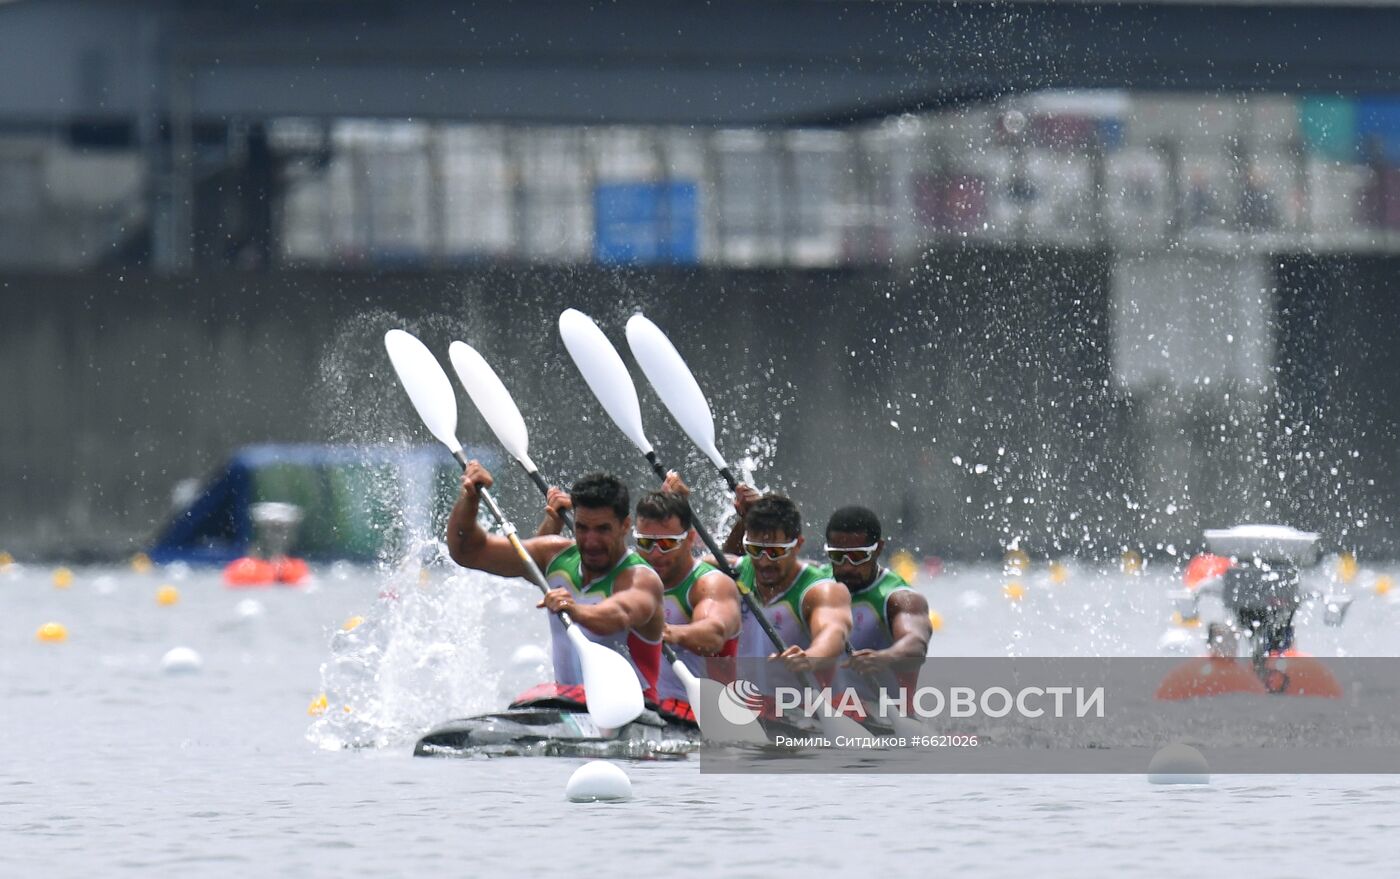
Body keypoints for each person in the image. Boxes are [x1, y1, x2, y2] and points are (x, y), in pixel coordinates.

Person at [447, 461, 664, 706]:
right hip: (571, 705)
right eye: (582, 528)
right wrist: (470, 498)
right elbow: (467, 551)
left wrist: (575, 609)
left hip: (632, 708)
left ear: (625, 526)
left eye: (603, 529)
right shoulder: (554, 555)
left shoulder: (640, 578)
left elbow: (619, 615)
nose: (591, 541)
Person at [537, 481, 743, 725]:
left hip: (696, 712)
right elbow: (541, 567)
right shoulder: (627, 579)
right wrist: (553, 524)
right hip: (640, 707)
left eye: (666, 544)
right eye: (646, 543)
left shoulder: (708, 584)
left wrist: (670, 632)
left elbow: (714, 633)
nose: (655, 553)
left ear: (690, 539)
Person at [819, 505, 931, 680]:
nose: (847, 567)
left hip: (882, 705)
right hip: (823, 704)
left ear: (878, 548)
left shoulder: (899, 598)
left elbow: (915, 643)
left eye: (857, 556)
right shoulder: (817, 583)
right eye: (837, 556)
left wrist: (884, 658)